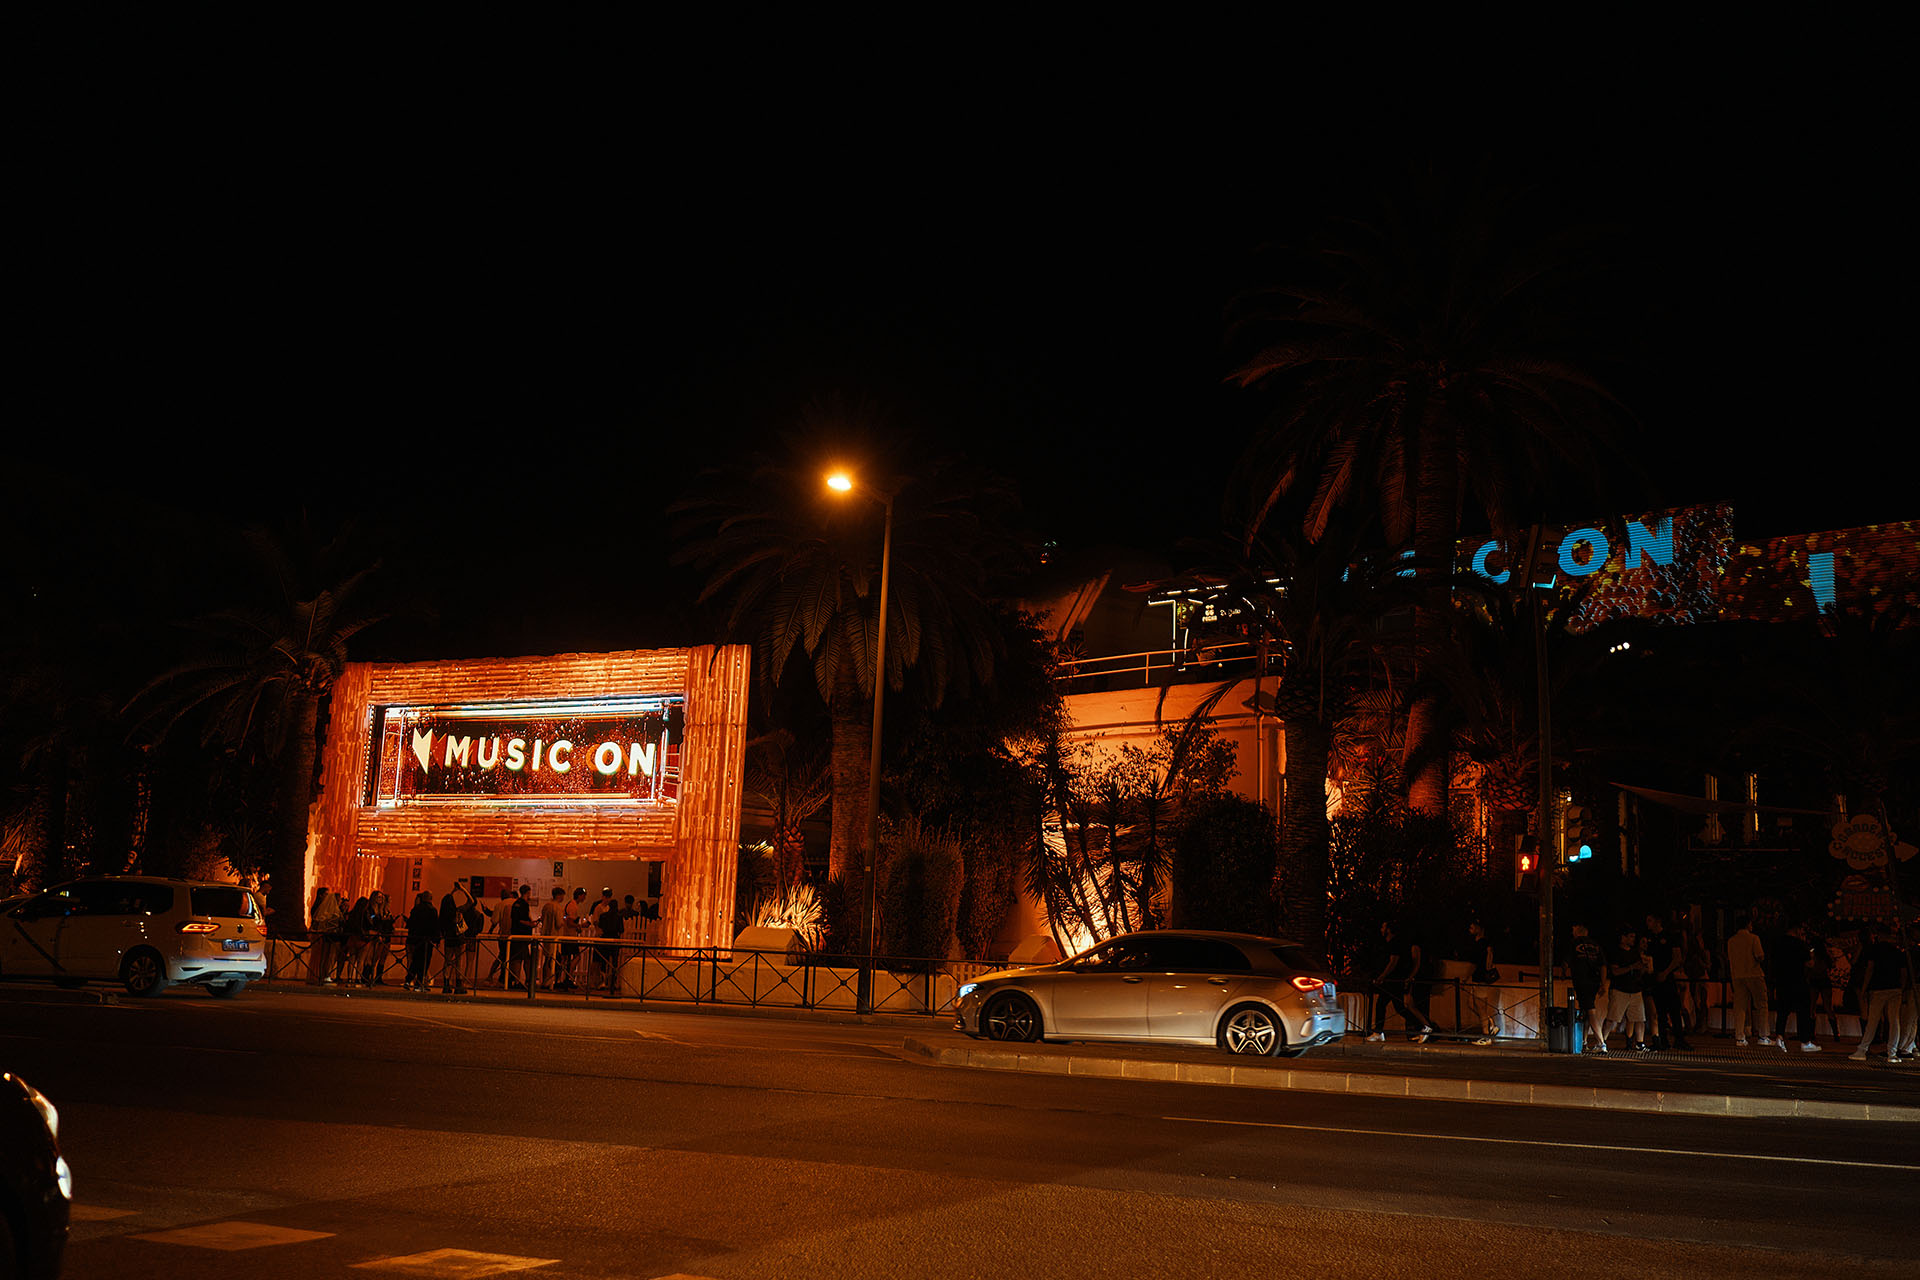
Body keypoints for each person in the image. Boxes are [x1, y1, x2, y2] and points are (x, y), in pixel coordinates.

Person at [1849, 921, 1910, 1063]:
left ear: (1879, 935)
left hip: (1878, 989)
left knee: (1873, 1021)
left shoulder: (1874, 950)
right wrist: (1902, 988)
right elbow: (1904, 973)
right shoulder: (1898, 952)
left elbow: (1870, 969)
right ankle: (1892, 1053)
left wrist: (1864, 988)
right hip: (1895, 989)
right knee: (1894, 1021)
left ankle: (1862, 1050)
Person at [1365, 921, 1435, 1043]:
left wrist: (1382, 976)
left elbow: (1394, 962)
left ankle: (1379, 1032)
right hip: (1395, 980)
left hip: (1394, 980)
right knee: (1400, 1007)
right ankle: (1423, 1026)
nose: (1381, 929)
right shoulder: (1393, 943)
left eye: (1383, 927)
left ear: (1389, 929)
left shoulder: (1395, 943)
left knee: (1382, 1004)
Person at [1643, 912, 1692, 1051]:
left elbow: (1677, 958)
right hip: (1655, 977)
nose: (1648, 924)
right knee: (1660, 1011)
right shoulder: (1650, 939)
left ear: (1657, 921)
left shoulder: (1670, 937)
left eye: (1650, 920)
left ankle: (1679, 1039)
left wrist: (1665, 972)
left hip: (1667, 977)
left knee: (1674, 1009)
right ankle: (1663, 1040)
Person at [1769, 921, 1821, 1052]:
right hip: (1798, 980)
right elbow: (1809, 964)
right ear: (1797, 930)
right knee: (1803, 1010)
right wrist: (1811, 953)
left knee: (1782, 1010)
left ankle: (1779, 1037)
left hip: (1782, 980)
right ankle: (1805, 1041)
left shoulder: (1778, 942)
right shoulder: (1800, 944)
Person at [1601, 925, 1650, 1052]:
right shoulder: (1616, 952)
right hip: (1620, 989)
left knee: (1639, 1018)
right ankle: (1602, 1041)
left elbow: (1639, 970)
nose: (1633, 939)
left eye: (1634, 937)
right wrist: (1631, 967)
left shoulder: (1635, 953)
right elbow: (1615, 971)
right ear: (1623, 938)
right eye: (1630, 937)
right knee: (1613, 1018)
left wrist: (1644, 968)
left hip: (1635, 990)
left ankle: (1640, 1043)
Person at [1726, 914, 1772, 1047]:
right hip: (1754, 974)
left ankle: (1740, 1037)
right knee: (1761, 1004)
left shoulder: (1731, 941)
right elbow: (1759, 956)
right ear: (1748, 924)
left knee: (1739, 1006)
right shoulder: (1753, 938)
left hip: (1737, 975)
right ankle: (1763, 1035)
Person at [1569, 921, 1607, 1052]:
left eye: (1574, 928)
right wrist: (1603, 983)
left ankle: (1601, 1043)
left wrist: (1563, 972)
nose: (1572, 931)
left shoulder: (1574, 943)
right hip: (1594, 981)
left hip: (1582, 981)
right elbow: (1603, 965)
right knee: (1585, 1009)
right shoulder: (1596, 945)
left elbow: (1566, 961)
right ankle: (1583, 1042)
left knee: (1590, 1011)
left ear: (1579, 929)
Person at [1464, 920, 1501, 1045]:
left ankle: (1486, 1036)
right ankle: (1490, 1024)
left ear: (1479, 928)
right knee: (1471, 1004)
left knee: (1481, 1008)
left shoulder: (1480, 944)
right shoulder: (1485, 943)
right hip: (1479, 978)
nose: (1470, 929)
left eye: (1472, 927)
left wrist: (1466, 977)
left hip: (1480, 978)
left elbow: (1474, 964)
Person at [405, 890, 440, 991]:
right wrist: (436, 939)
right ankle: (419, 984)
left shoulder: (416, 909)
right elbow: (435, 926)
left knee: (415, 961)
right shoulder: (432, 910)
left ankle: (408, 980)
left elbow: (410, 924)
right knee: (424, 963)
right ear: (430, 898)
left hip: (416, 940)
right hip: (427, 941)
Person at [308, 886, 342, 985]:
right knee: (320, 956)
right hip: (322, 936)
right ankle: (318, 975)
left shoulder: (327, 909)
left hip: (324, 936)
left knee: (324, 956)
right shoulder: (321, 908)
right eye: (326, 894)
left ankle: (319, 975)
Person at [438, 886, 468, 994]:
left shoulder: (443, 915)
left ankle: (446, 984)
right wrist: (462, 889)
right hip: (458, 940)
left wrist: (452, 891)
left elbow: (447, 900)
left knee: (447, 962)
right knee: (459, 962)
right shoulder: (457, 912)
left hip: (448, 940)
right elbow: (471, 902)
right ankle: (458, 985)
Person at [363, 891, 394, 985]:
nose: (380, 899)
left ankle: (375, 977)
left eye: (382, 898)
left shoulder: (381, 910)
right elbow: (371, 919)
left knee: (378, 957)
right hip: (373, 935)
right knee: (371, 957)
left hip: (382, 935)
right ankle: (366, 976)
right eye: (379, 897)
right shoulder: (370, 910)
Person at [486, 887, 515, 986]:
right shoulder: (515, 902)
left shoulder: (499, 905)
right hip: (515, 935)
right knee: (512, 958)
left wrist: (490, 930)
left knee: (501, 957)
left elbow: (494, 920)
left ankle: (492, 976)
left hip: (503, 935)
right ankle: (509, 979)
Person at [509, 885, 536, 990]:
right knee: (521, 959)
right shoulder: (524, 904)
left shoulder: (516, 903)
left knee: (519, 958)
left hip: (515, 934)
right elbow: (521, 920)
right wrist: (530, 924)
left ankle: (516, 980)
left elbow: (515, 919)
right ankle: (520, 981)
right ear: (528, 892)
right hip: (522, 935)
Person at [539, 887, 567, 988]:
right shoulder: (558, 907)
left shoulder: (546, 906)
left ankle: (545, 980)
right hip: (555, 936)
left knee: (547, 959)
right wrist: (564, 921)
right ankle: (553, 981)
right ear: (559, 895)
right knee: (555, 960)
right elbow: (558, 923)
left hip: (546, 936)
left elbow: (542, 919)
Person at [343, 895, 374, 986]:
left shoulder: (352, 914)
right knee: (361, 960)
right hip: (363, 939)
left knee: (352, 959)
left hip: (353, 938)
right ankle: (358, 978)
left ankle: (349, 977)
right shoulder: (366, 914)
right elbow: (370, 924)